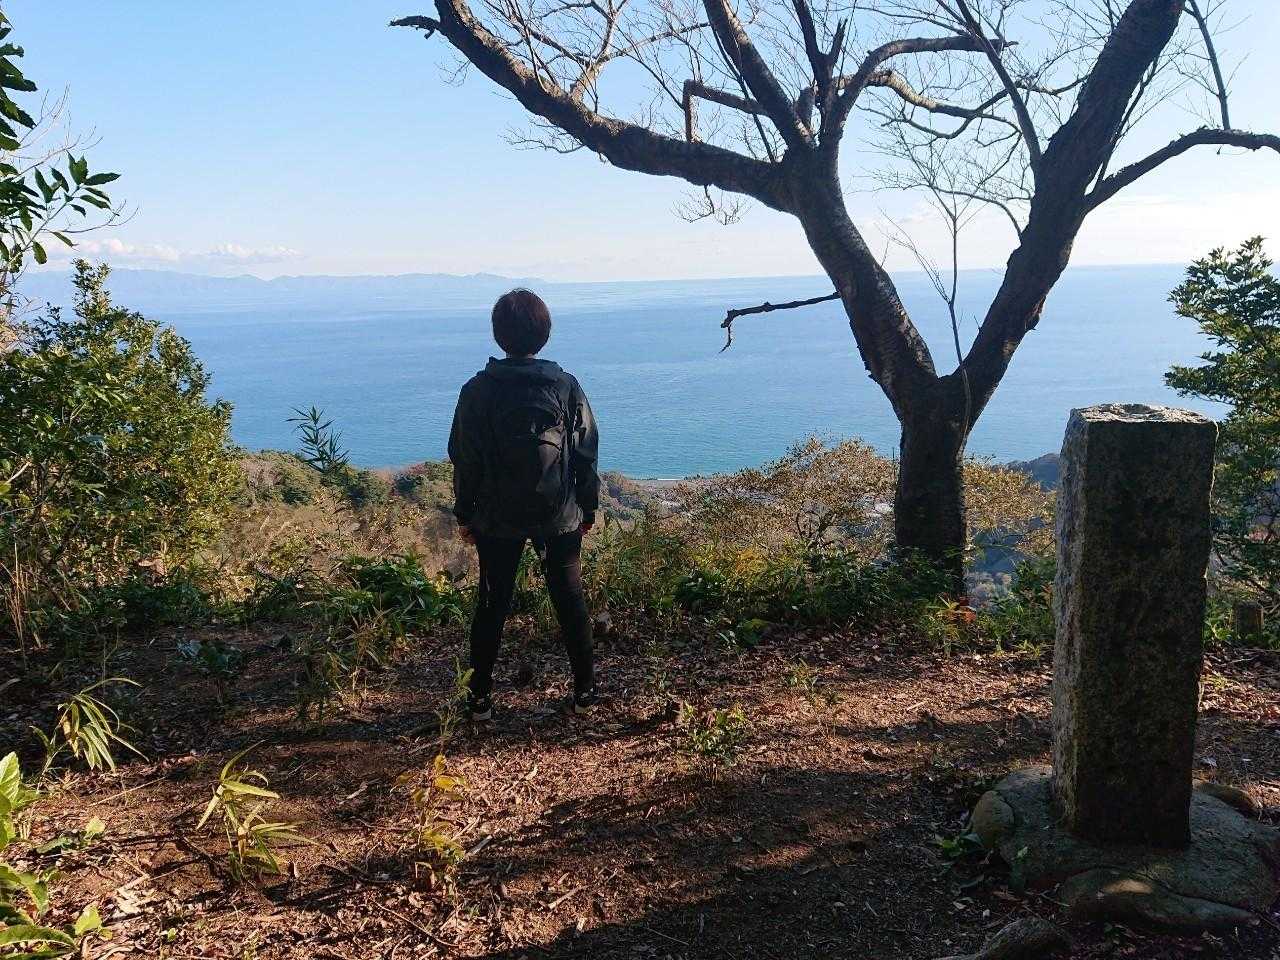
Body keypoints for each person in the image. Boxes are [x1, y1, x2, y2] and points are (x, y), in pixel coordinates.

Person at [448, 289, 600, 721]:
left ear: (498, 334)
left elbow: (465, 457)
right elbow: (586, 450)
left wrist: (465, 513)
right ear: (544, 333)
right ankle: (585, 693)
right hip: (559, 514)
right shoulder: (565, 385)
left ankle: (479, 700)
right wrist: (587, 508)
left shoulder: (478, 390)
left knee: (492, 603)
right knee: (570, 600)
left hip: (496, 517)